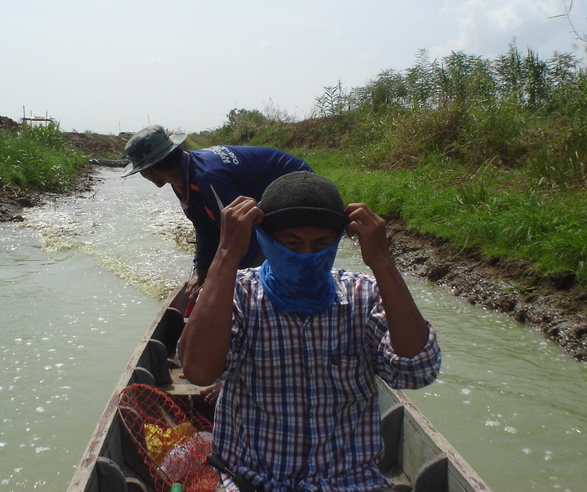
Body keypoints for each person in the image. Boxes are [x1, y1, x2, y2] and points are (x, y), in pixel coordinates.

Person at [178, 171, 441, 492]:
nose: (305, 256)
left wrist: (383, 262)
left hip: (349, 482)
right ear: (267, 242)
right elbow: (199, 370)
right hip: (251, 480)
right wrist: (227, 252)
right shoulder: (238, 293)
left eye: (320, 244)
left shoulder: (363, 294)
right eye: (291, 244)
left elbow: (417, 371)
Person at [121, 125, 312, 303]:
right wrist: (200, 273)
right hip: (271, 196)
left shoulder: (208, 178)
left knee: (248, 272)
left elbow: (246, 235)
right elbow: (205, 228)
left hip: (303, 191)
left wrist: (220, 280)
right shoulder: (182, 179)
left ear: (151, 170)